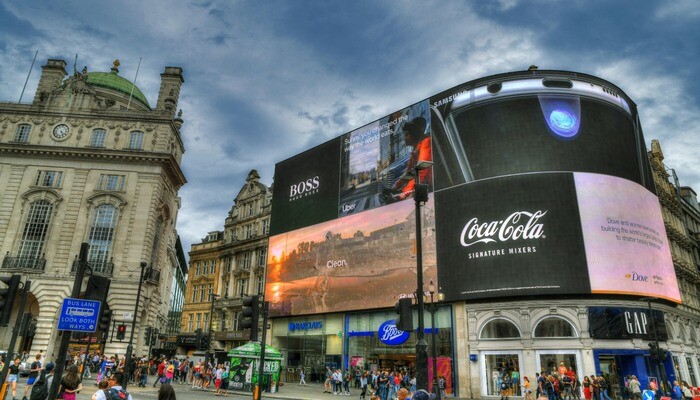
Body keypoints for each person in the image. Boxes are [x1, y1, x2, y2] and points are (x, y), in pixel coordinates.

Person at [390, 116, 432, 202]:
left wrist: (403, 194)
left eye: (406, 134)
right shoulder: (415, 150)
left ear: (414, 134)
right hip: (425, 187)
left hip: (433, 187)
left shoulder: (426, 142)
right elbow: (409, 173)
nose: (404, 138)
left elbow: (421, 170)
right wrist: (395, 187)